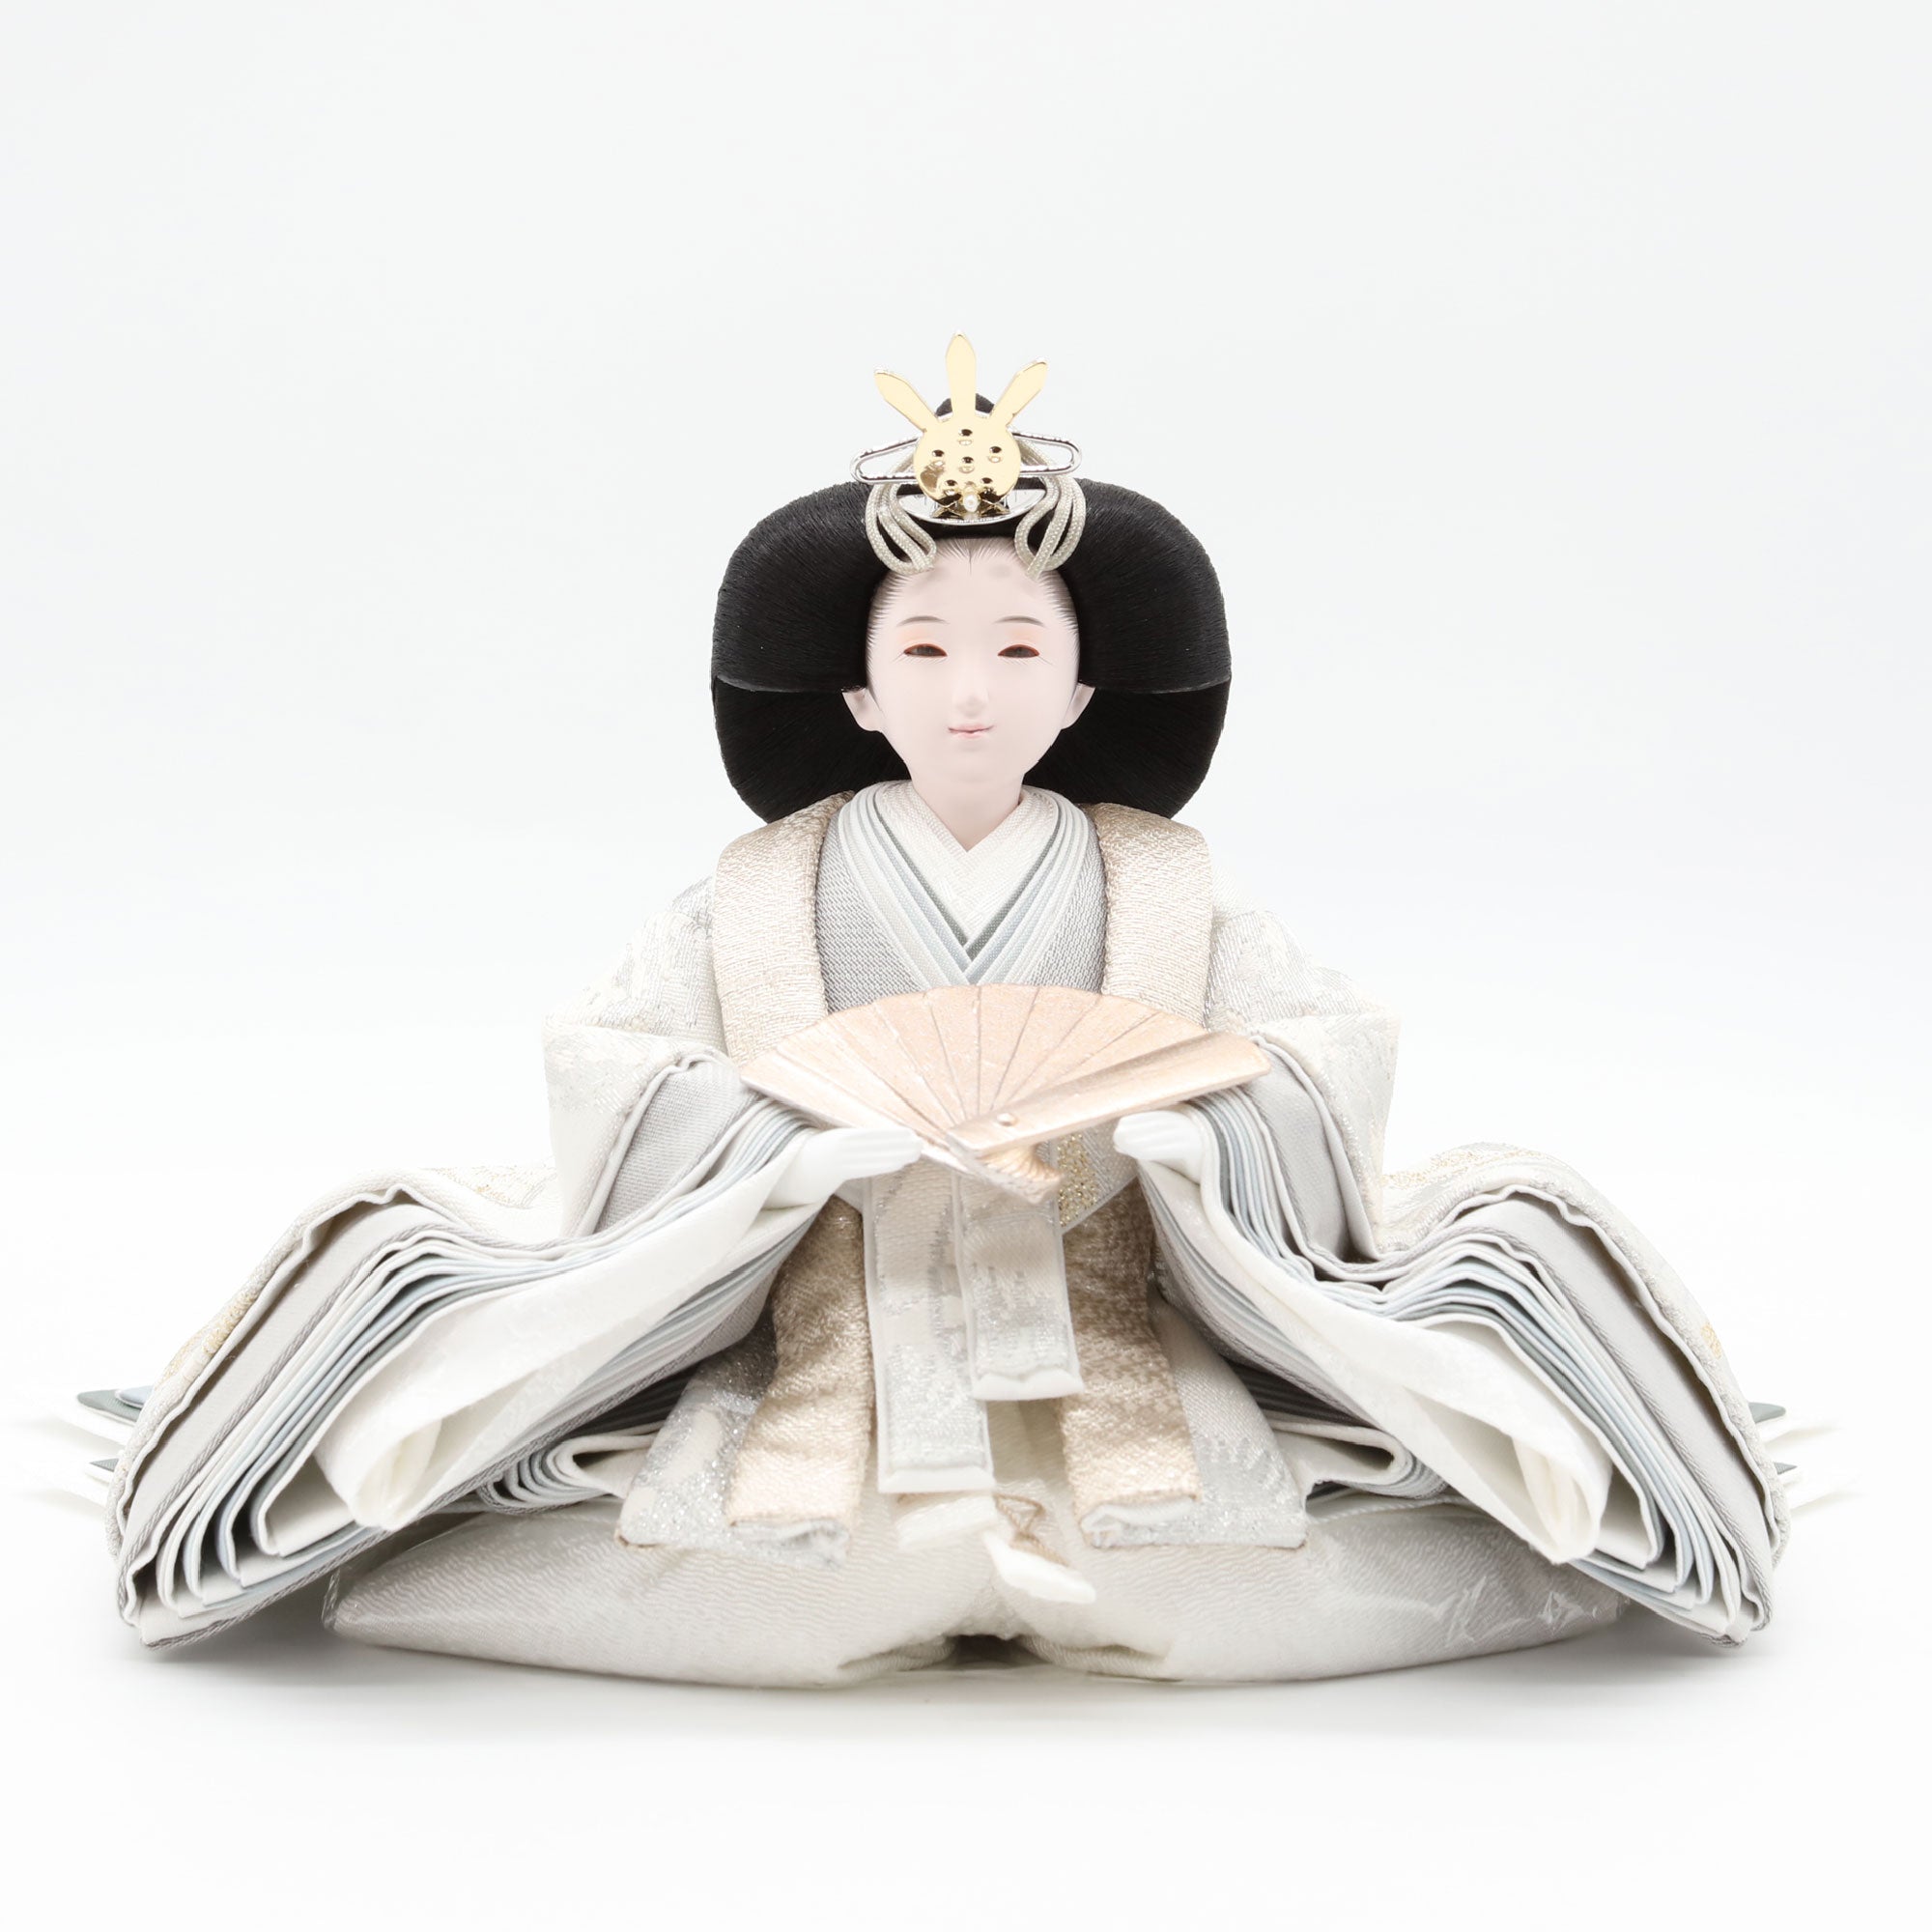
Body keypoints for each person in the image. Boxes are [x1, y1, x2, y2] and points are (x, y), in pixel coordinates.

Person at [99, 339, 1785, 1685]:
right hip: (835, 1310)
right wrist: (783, 1150)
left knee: (1212, 1566)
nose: (969, 694)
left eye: (1016, 653)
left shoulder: (1167, 890)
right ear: (855, 689)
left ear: (1081, 685)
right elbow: (616, 1059)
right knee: (781, 1572)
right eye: (922, 654)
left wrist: (1192, 1137)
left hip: (1120, 1318)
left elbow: (1317, 1046)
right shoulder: (759, 896)